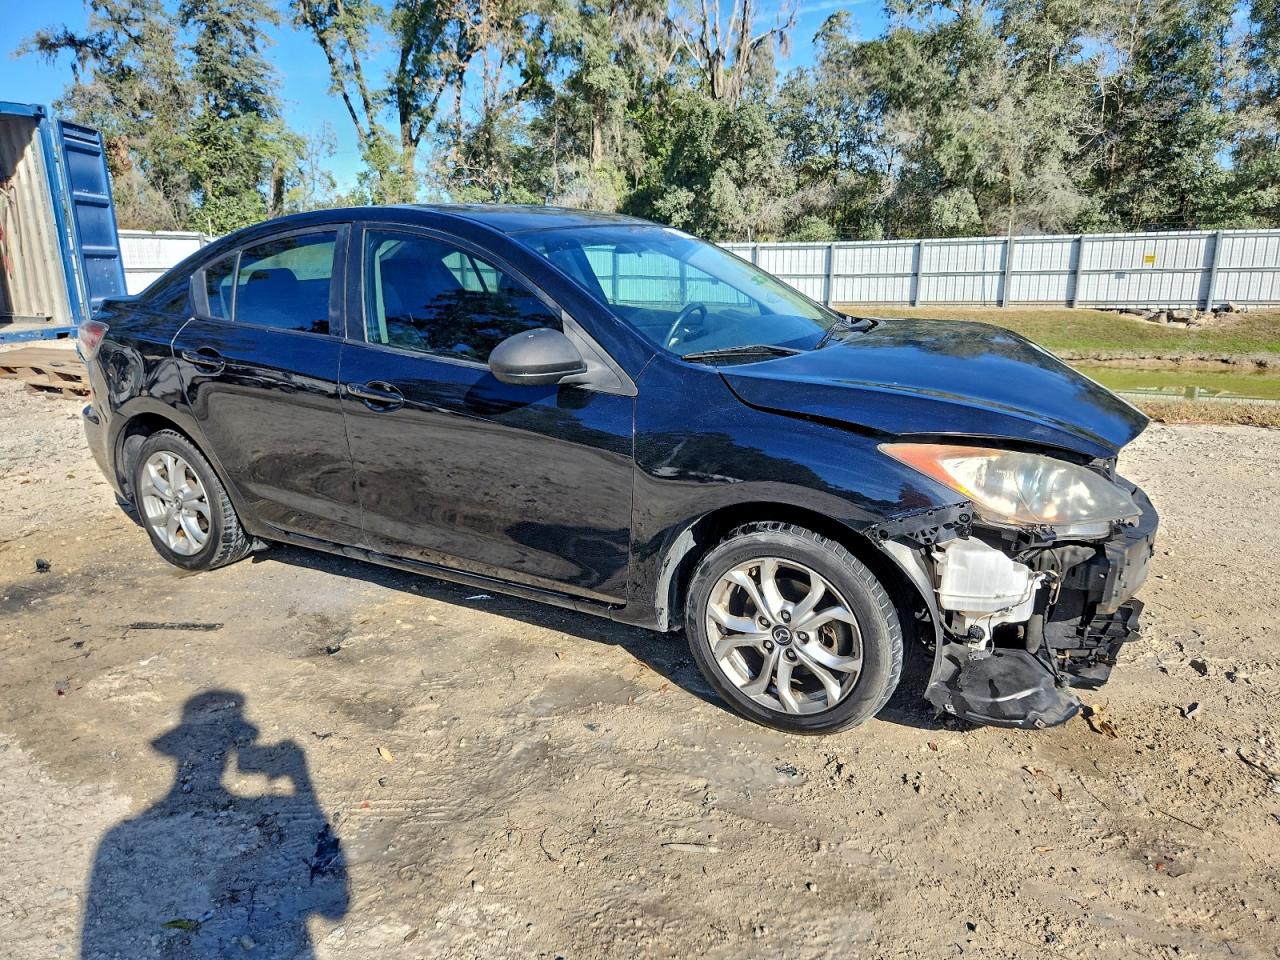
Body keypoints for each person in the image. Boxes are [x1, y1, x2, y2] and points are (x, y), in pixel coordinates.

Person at [80, 690, 348, 958]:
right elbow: (335, 909)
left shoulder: (118, 836)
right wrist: (300, 776)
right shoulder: (120, 837)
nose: (218, 753)